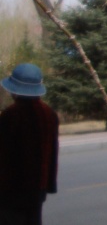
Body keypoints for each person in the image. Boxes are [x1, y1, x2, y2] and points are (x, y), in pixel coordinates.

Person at [0, 63, 59, 225]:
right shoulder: (49, 113)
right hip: (37, 188)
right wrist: (49, 185)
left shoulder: (10, 115)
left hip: (11, 190)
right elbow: (53, 153)